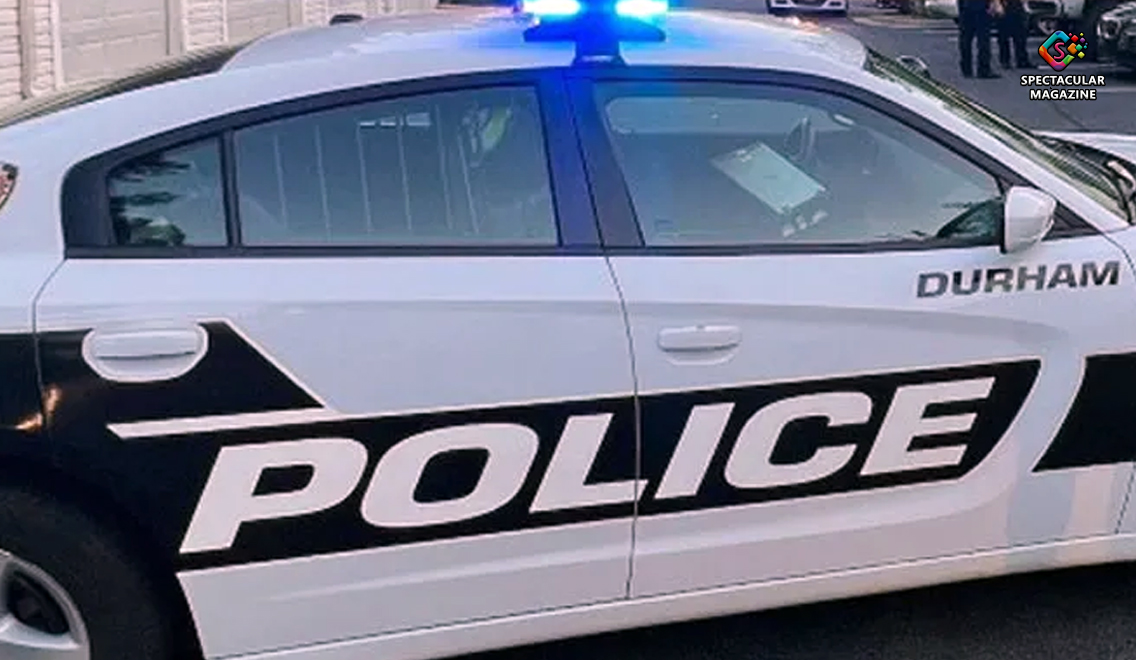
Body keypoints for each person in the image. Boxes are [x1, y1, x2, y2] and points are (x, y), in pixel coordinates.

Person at [957, 0, 1000, 78]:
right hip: (981, 6)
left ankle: (966, 68)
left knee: (965, 38)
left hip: (965, 6)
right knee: (983, 38)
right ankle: (983, 69)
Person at [996, 0, 1032, 69]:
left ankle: (1021, 59)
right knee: (1004, 36)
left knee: (1020, 35)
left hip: (1017, 6)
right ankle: (1005, 60)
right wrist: (998, 4)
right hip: (1005, 5)